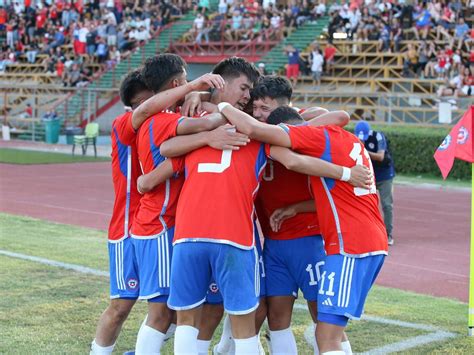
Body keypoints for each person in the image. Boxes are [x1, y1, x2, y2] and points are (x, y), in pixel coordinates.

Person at [217, 103, 388, 354]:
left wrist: (222, 105)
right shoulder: (345, 139)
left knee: (327, 334)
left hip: (351, 244)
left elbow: (282, 152)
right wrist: (296, 207)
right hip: (361, 240)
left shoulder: (314, 136)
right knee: (326, 331)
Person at [354, 121, 394, 247]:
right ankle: (367, 233)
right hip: (368, 175)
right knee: (364, 204)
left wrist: (364, 150)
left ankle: (388, 234)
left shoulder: (378, 136)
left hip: (384, 175)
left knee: (387, 205)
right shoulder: (353, 139)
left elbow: (380, 157)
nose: (362, 140)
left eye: (364, 138)